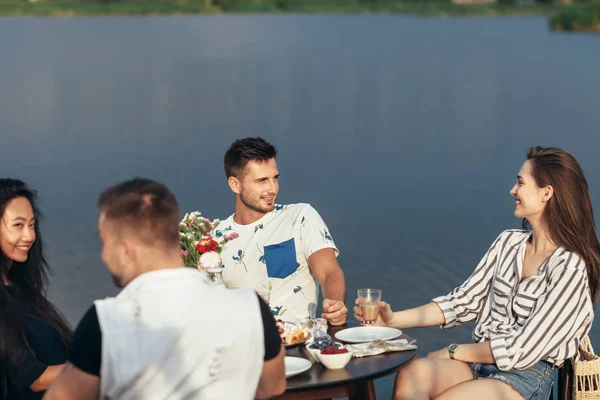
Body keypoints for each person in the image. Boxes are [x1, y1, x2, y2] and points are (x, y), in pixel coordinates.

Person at [354, 147, 599, 400]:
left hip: (525, 377)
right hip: (476, 365)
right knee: (414, 373)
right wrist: (393, 321)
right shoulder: (508, 242)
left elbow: (522, 349)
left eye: (520, 182)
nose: (512, 190)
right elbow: (462, 302)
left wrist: (453, 351)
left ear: (546, 192)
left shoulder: (569, 267)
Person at [43, 178, 285, 400]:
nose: (103, 255)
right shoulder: (251, 308)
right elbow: (272, 387)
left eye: (105, 243)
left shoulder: (107, 322)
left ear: (126, 251)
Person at [218, 137, 347, 325]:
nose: (273, 188)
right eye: (262, 181)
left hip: (298, 342)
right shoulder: (215, 238)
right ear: (235, 185)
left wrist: (335, 305)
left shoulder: (300, 217)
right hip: (244, 345)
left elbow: (329, 272)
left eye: (275, 178)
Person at [0, 179, 72, 400]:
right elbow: (34, 378)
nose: (29, 236)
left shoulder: (21, 290)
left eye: (32, 225)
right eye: (18, 225)